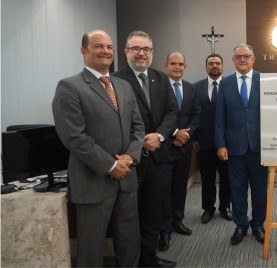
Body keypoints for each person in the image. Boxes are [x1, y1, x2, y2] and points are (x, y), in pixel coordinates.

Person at [52, 29, 144, 267]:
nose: (106, 51)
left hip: (126, 180)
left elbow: (138, 127)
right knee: (91, 251)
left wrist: (130, 159)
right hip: (93, 182)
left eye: (110, 47)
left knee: (129, 244)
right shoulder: (69, 87)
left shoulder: (124, 86)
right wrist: (111, 165)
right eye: (99, 46)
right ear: (84, 51)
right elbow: (74, 137)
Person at [112, 31, 177, 267]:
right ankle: (132, 262)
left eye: (146, 49)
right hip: (131, 160)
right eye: (136, 48)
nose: (141, 53)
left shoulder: (161, 78)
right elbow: (114, 121)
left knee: (153, 213)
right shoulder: (115, 80)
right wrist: (140, 143)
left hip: (158, 158)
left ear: (152, 53)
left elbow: (172, 112)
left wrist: (159, 135)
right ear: (126, 51)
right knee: (128, 217)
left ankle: (150, 259)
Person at [215, 44, 268, 246]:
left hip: (260, 147)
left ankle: (258, 224)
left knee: (259, 189)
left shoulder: (264, 80)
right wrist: (220, 144)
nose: (243, 60)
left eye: (247, 56)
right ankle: (241, 225)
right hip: (234, 148)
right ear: (233, 60)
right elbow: (220, 117)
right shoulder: (226, 83)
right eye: (239, 57)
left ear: (253, 59)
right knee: (237, 189)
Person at [161, 51, 201, 244]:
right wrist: (175, 132)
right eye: (173, 63)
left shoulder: (190, 89)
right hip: (164, 148)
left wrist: (186, 134)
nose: (177, 67)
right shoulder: (158, 89)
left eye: (181, 64)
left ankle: (178, 220)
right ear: (166, 65)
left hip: (184, 148)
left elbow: (196, 115)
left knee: (180, 187)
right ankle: (165, 228)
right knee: (165, 188)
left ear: (185, 67)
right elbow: (157, 118)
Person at [193, 54, 233, 224]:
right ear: (206, 66)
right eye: (211, 63)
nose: (214, 66)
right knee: (207, 178)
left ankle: (225, 206)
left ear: (223, 66)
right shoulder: (195, 88)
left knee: (227, 178)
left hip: (226, 143)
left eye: (218, 63)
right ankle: (208, 208)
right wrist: (194, 137)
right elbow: (193, 114)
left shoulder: (230, 86)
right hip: (204, 142)